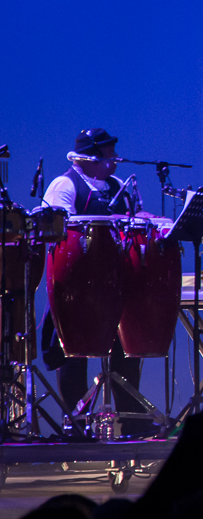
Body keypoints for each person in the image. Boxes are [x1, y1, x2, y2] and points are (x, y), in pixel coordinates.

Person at [40, 128, 150, 436]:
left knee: (126, 351)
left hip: (115, 283)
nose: (115, 157)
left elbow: (131, 222)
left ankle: (133, 419)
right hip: (79, 287)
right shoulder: (65, 185)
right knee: (75, 353)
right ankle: (77, 422)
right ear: (91, 156)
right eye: (109, 152)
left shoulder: (116, 185)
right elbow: (56, 225)